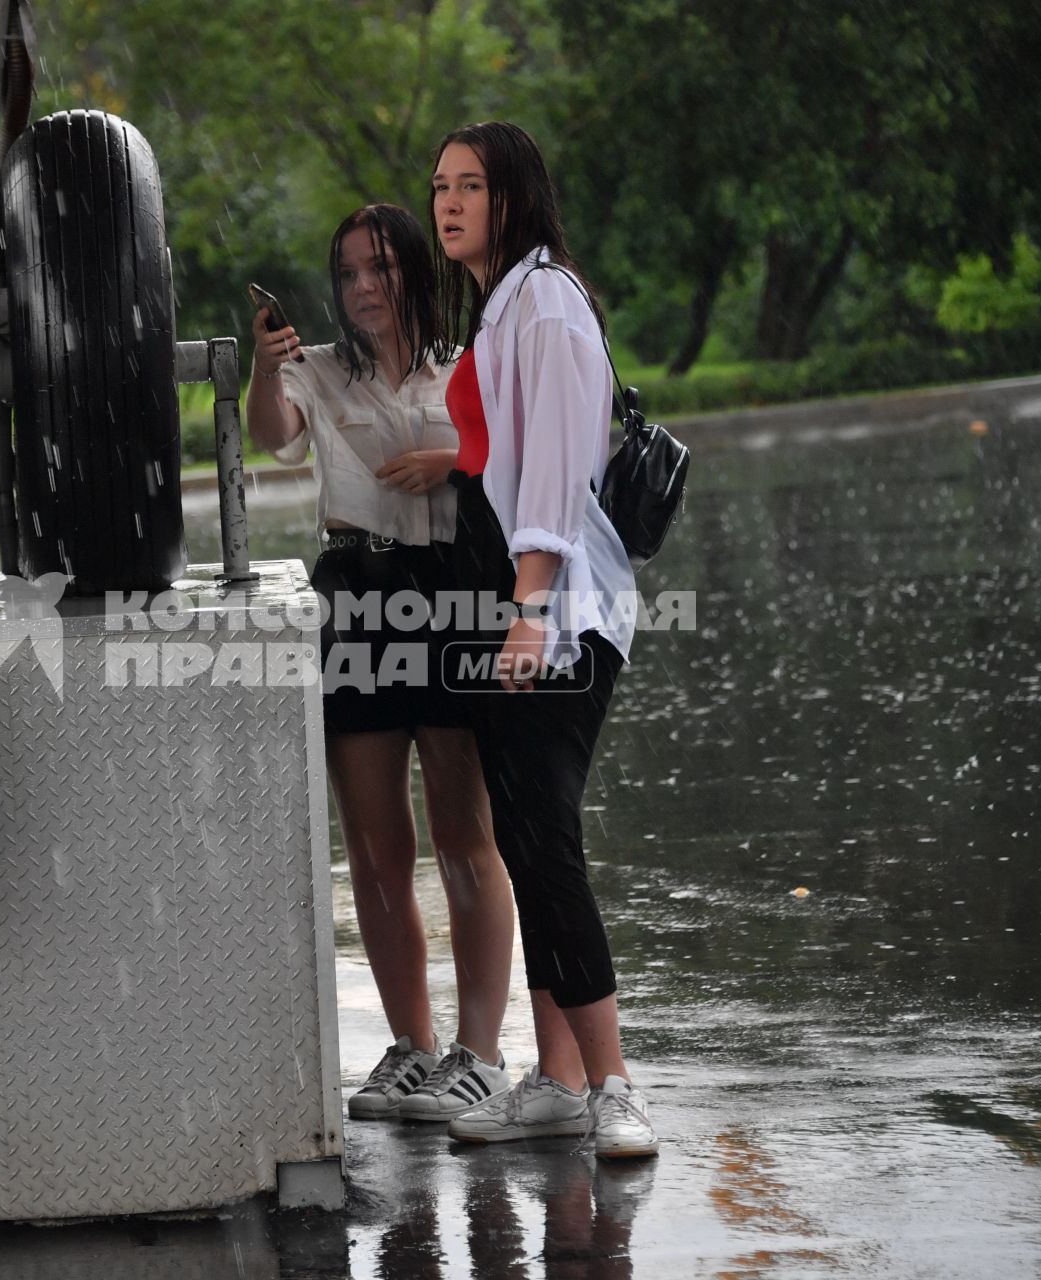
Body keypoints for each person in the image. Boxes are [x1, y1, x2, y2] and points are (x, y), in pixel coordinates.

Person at [245, 205, 517, 1122]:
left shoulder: (466, 364)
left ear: (415, 274)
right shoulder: (315, 369)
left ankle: (480, 1049)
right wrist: (261, 362)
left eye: (381, 269)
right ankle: (413, 1043)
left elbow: (515, 457)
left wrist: (454, 461)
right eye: (350, 272)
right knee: (374, 844)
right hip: (355, 592)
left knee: (464, 833)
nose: (364, 287)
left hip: (449, 588)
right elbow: (271, 432)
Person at [425, 122, 658, 1157]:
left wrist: (529, 608)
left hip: (552, 613)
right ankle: (559, 1078)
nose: (449, 202)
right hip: (505, 606)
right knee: (525, 837)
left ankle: (613, 1082)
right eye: (439, 187)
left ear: (515, 196)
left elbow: (560, 470)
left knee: (547, 842)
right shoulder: (500, 305)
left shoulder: (548, 302)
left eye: (471, 184)